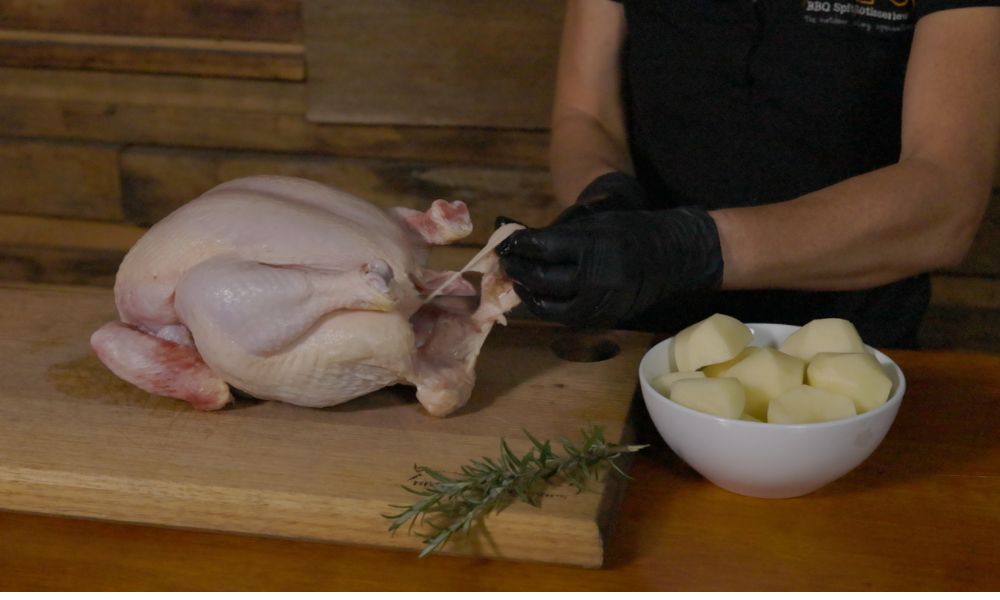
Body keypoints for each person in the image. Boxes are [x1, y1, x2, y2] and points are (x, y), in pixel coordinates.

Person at [496, 0, 1000, 348]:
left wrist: (695, 249)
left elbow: (947, 195)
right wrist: (605, 199)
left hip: (853, 350)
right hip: (643, 341)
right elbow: (586, 117)